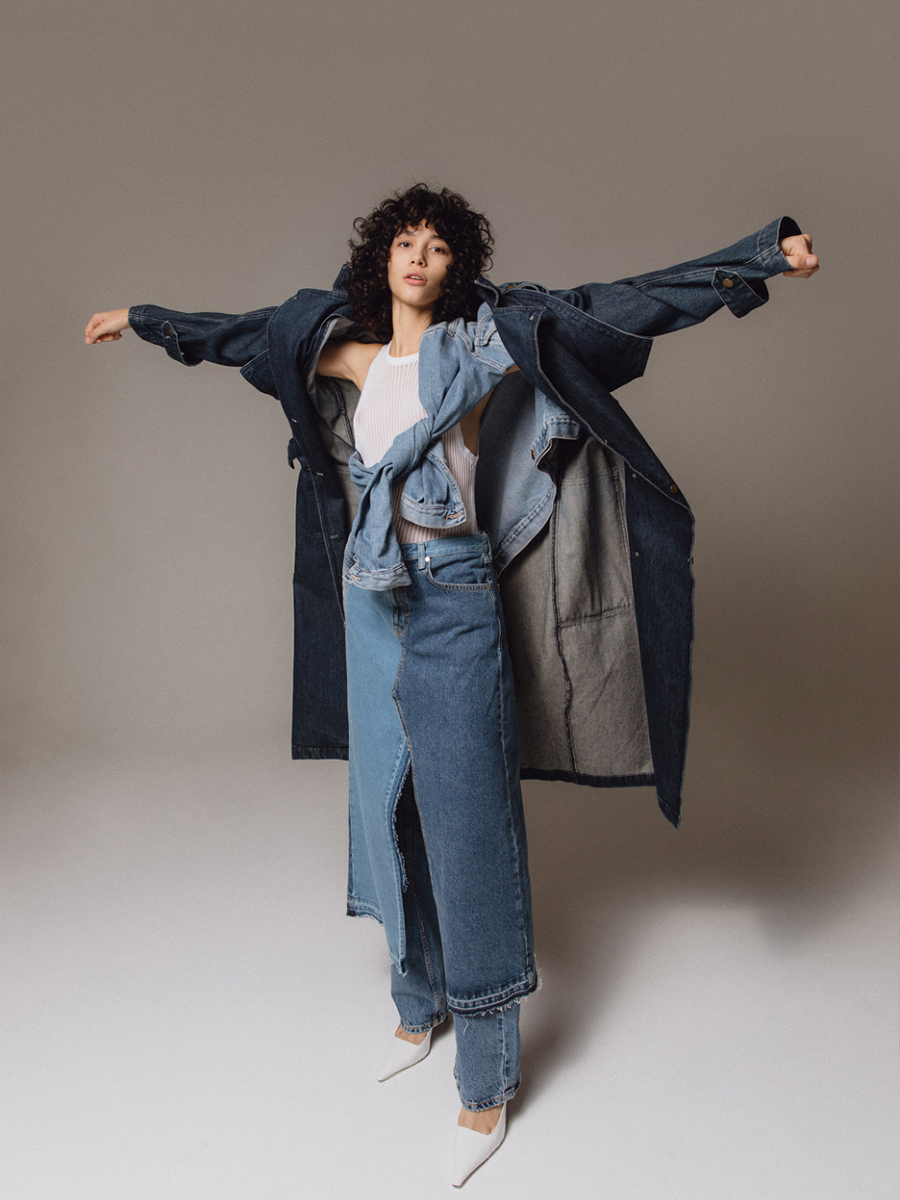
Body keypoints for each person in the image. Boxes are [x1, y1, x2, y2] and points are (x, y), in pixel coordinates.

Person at [84, 184, 818, 1186]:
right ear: (380, 260)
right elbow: (253, 334)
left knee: (469, 826)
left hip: (452, 595)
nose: (419, 257)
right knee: (386, 809)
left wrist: (761, 259)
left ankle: (486, 1080)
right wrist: (145, 321)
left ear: (454, 267)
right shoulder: (349, 356)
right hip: (369, 600)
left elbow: (617, 307)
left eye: (437, 247)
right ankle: (418, 1002)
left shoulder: (479, 346)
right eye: (405, 242)